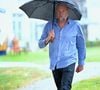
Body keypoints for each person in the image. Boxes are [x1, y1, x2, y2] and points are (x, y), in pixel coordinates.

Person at [38, 3, 86, 90]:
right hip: (55, 64)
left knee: (65, 88)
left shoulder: (75, 26)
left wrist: (81, 63)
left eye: (63, 11)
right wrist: (48, 39)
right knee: (60, 88)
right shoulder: (49, 25)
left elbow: (81, 45)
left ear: (67, 11)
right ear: (55, 12)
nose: (60, 13)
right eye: (58, 11)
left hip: (69, 61)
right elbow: (40, 44)